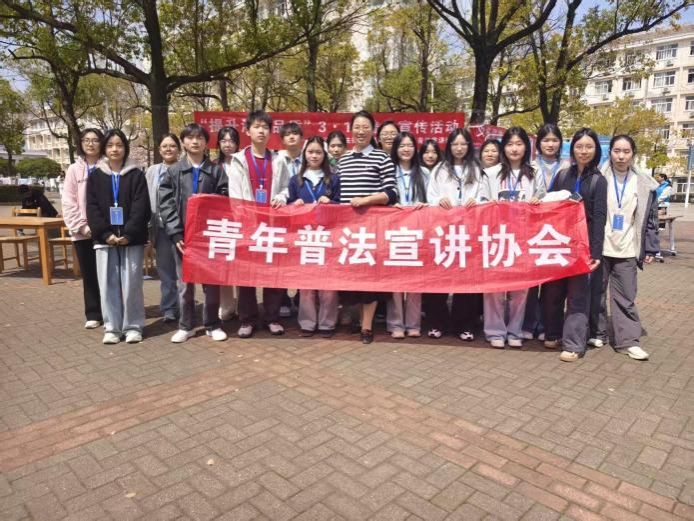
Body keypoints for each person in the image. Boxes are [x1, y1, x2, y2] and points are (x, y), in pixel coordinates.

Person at [159, 123, 229, 343]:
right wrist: (176, 233)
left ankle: (212, 324)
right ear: (183, 142)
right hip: (183, 238)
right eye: (190, 138)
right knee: (185, 284)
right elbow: (166, 204)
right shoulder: (174, 171)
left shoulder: (216, 170)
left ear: (206, 142)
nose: (195, 141)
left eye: (199, 138)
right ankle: (186, 325)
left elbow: (225, 199)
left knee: (211, 283)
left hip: (209, 237)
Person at [543, 128, 607, 362]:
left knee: (578, 295)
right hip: (560, 243)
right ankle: (553, 334)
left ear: (596, 150)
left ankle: (574, 344)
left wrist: (596, 252)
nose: (584, 151)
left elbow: (599, 217)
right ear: (572, 149)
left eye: (589, 147)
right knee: (553, 291)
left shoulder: (599, 180)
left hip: (583, 246)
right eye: (579, 147)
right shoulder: (562, 175)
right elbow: (548, 204)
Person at [227, 110, 290, 338]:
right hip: (248, 226)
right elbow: (235, 195)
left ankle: (272, 318)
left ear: (271, 132)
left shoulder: (279, 160)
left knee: (273, 273)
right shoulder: (239, 160)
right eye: (256, 126)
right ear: (248, 131)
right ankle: (247, 319)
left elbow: (286, 187)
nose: (261, 131)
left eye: (265, 127)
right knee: (246, 275)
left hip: (272, 225)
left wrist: (281, 197)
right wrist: (244, 219)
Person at [595, 136, 659, 360]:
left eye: (626, 151)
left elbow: (650, 219)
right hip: (601, 247)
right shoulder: (598, 177)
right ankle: (597, 332)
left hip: (628, 248)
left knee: (625, 296)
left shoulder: (644, 183)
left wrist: (650, 248)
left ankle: (629, 341)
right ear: (610, 152)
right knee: (596, 293)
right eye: (616, 151)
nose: (621, 156)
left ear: (633, 154)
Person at [337, 110, 397, 344]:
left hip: (372, 228)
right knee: (352, 277)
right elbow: (337, 193)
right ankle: (357, 319)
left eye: (365, 127)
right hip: (347, 229)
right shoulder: (343, 160)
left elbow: (391, 192)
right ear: (350, 130)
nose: (361, 131)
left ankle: (367, 327)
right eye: (357, 127)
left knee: (370, 278)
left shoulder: (381, 158)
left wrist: (366, 200)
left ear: (373, 131)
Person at [86, 129, 151, 345]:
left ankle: (133, 326)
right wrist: (106, 234)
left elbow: (141, 207)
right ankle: (112, 327)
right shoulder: (96, 176)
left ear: (125, 148)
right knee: (108, 284)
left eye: (119, 145)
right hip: (104, 241)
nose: (115, 149)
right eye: (110, 145)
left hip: (132, 240)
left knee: (132, 284)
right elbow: (92, 208)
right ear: (104, 149)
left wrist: (129, 233)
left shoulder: (136, 175)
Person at [427, 128, 490, 341]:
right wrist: (439, 201)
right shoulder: (439, 169)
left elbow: (484, 197)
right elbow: (431, 196)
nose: (459, 148)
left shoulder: (476, 169)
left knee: (467, 279)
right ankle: (437, 322)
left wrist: (477, 201)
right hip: (444, 232)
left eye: (463, 144)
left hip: (468, 232)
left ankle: (464, 325)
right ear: (449, 146)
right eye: (455, 144)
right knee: (439, 278)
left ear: (469, 146)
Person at [483, 127, 537, 349]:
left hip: (524, 237)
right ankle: (495, 331)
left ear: (526, 147)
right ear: (503, 148)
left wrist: (537, 202)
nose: (514, 149)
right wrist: (489, 204)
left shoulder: (534, 173)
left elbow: (544, 199)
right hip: (497, 236)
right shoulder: (491, 173)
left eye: (519, 144)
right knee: (494, 286)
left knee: (520, 288)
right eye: (510, 144)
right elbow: (482, 201)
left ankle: (515, 330)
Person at [287, 136, 341, 336]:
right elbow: (288, 207)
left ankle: (327, 323)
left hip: (328, 237)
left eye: (318, 152)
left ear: (324, 155)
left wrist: (331, 203)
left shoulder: (334, 179)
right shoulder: (296, 180)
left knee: (328, 284)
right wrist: (294, 205)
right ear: (304, 154)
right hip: (305, 238)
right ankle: (307, 322)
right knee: (306, 284)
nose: (314, 156)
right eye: (310, 152)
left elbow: (342, 206)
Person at [522, 124, 571, 341]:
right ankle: (528, 323)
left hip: (557, 229)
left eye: (554, 140)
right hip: (532, 229)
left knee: (552, 282)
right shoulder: (530, 167)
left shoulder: (568, 166)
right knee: (531, 281)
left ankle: (545, 325)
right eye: (545, 140)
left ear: (560, 142)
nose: (550, 144)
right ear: (538, 143)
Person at [386, 132, 429, 339]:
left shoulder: (424, 172)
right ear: (396, 149)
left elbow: (433, 199)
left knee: (415, 281)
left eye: (410, 145)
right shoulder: (388, 170)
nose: (406, 149)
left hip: (417, 231)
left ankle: (413, 323)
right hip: (393, 231)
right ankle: (395, 323)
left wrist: (425, 204)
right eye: (402, 145)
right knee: (394, 281)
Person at [62, 128, 104, 330]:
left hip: (106, 231)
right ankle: (93, 313)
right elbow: (68, 202)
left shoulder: (108, 166)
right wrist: (82, 226)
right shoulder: (73, 169)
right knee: (89, 274)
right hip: (83, 232)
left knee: (109, 274)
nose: (90, 144)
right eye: (86, 140)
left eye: (95, 140)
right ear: (80, 143)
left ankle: (112, 311)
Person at [145, 133, 181, 323]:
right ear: (159, 150)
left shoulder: (184, 169)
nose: (168, 149)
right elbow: (146, 198)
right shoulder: (153, 171)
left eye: (172, 145)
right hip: (160, 228)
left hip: (182, 229)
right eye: (164, 146)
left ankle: (185, 306)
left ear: (179, 149)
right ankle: (169, 308)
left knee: (183, 272)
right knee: (166, 272)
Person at [215, 126, 241, 322]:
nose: (227, 144)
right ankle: (226, 305)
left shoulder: (243, 164)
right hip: (221, 222)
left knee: (241, 265)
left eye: (231, 140)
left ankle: (242, 304)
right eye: (223, 140)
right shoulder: (214, 166)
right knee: (223, 265)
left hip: (241, 221)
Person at [278, 122, 304, 318]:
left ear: (301, 138)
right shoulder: (276, 159)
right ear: (282, 139)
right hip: (282, 215)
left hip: (305, 215)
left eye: (295, 133)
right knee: (282, 258)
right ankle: (283, 299)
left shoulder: (310, 157)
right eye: (288, 134)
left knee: (304, 256)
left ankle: (302, 297)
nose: (292, 137)